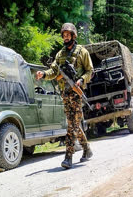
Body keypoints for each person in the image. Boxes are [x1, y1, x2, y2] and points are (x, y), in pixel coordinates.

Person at [36, 23, 93, 169]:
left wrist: (81, 80)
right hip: (65, 95)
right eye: (64, 35)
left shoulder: (82, 52)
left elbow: (89, 71)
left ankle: (68, 157)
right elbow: (53, 71)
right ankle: (87, 149)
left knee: (72, 126)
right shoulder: (60, 54)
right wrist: (43, 74)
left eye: (68, 34)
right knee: (74, 125)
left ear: (73, 35)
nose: (66, 37)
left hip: (76, 93)